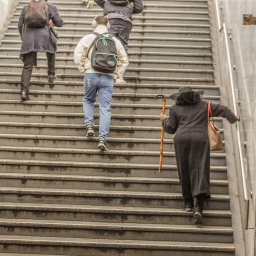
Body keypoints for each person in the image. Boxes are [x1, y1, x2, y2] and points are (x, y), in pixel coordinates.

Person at [159, 86, 240, 225]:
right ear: (195, 95)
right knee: (199, 170)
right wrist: (234, 118)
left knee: (183, 169)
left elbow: (171, 129)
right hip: (200, 140)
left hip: (181, 139)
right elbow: (224, 110)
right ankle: (198, 207)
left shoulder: (174, 109)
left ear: (179, 97)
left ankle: (187, 203)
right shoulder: (204, 105)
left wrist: (163, 119)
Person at [73, 15, 128, 151]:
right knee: (105, 107)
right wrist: (117, 75)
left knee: (88, 100)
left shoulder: (87, 38)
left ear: (94, 24)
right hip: (108, 77)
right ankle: (102, 139)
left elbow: (78, 54)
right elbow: (124, 60)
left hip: (91, 75)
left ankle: (90, 125)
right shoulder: (114, 40)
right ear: (108, 25)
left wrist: (84, 68)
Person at [18, 0, 64, 101]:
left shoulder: (26, 7)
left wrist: (23, 37)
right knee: (51, 50)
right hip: (45, 37)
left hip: (29, 38)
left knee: (27, 66)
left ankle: (24, 91)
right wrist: (52, 21)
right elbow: (60, 23)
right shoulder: (50, 7)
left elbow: (20, 25)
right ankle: (51, 75)